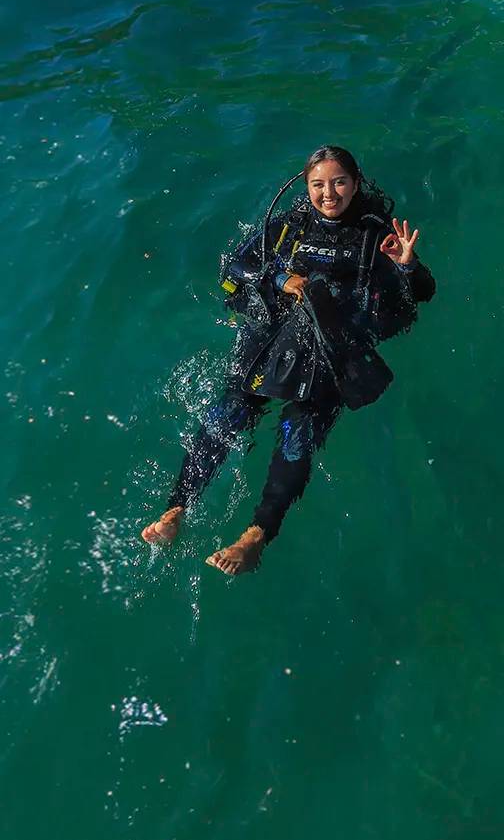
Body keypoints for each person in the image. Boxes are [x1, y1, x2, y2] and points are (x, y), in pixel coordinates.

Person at [141, 145, 435, 576]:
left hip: (333, 351)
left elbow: (423, 294)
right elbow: (234, 265)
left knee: (297, 431)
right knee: (230, 410)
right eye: (318, 184)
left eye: (338, 182)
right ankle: (176, 509)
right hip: (275, 340)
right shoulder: (289, 226)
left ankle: (256, 536)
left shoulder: (375, 235)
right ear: (306, 186)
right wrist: (280, 277)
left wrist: (408, 267)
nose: (329, 193)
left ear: (355, 182)